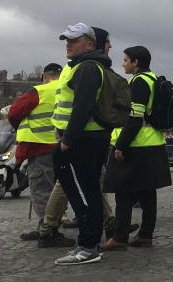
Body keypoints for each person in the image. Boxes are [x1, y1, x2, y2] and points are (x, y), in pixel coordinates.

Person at [50, 23, 114, 265]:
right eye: (67, 39)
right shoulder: (84, 66)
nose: (68, 44)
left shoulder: (87, 68)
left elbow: (82, 107)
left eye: (74, 40)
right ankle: (88, 244)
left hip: (82, 141)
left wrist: (67, 140)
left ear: (89, 44)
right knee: (87, 192)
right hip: (86, 139)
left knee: (84, 195)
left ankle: (88, 246)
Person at [101, 46, 171, 250]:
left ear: (136, 62)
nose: (123, 63)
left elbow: (135, 117)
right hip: (152, 143)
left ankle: (119, 237)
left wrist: (121, 145)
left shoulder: (139, 82)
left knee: (123, 191)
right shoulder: (153, 79)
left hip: (137, 145)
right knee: (147, 192)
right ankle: (145, 235)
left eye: (125, 60)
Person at [7, 63, 62, 241]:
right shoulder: (69, 91)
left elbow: (14, 113)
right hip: (64, 146)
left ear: (44, 76)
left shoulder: (39, 91)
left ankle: (46, 230)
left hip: (40, 146)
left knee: (42, 189)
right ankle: (52, 226)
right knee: (59, 190)